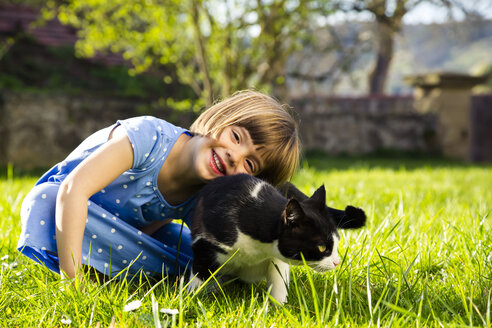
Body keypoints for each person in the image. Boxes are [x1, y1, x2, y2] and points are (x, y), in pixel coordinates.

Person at [17, 90, 300, 280]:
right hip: (68, 208)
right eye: (236, 137)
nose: (233, 157)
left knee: (208, 256)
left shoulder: (208, 193)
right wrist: (73, 281)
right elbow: (73, 190)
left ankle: (113, 263)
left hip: (130, 233)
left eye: (249, 165)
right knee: (44, 200)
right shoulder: (149, 137)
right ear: (219, 119)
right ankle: (83, 262)